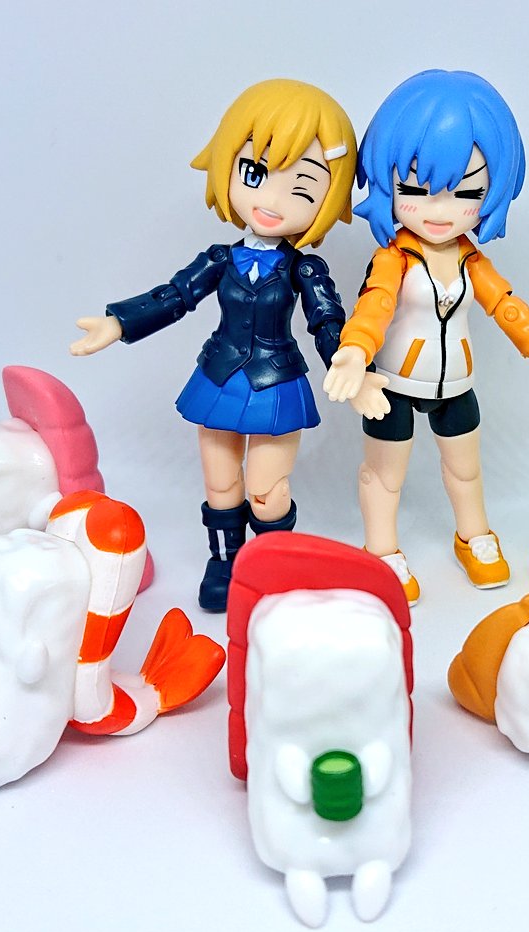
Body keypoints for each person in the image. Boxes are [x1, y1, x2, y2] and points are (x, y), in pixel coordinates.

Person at [71, 79, 370, 612]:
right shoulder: (219, 258)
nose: (271, 201)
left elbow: (327, 321)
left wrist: (350, 363)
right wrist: (120, 322)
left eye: (302, 188)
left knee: (266, 492)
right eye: (255, 173)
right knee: (221, 486)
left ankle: (272, 560)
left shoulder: (305, 268)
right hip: (218, 377)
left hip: (275, 382)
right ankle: (225, 561)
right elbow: (175, 295)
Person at [324, 70, 529, 605]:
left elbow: (508, 307)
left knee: (465, 469)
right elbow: (374, 306)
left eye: (467, 192)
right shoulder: (394, 258)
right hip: (396, 382)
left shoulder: (473, 261)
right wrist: (354, 353)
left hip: (456, 384)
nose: (441, 211)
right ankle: (381, 550)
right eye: (416, 190)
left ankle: (474, 535)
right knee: (386, 475)